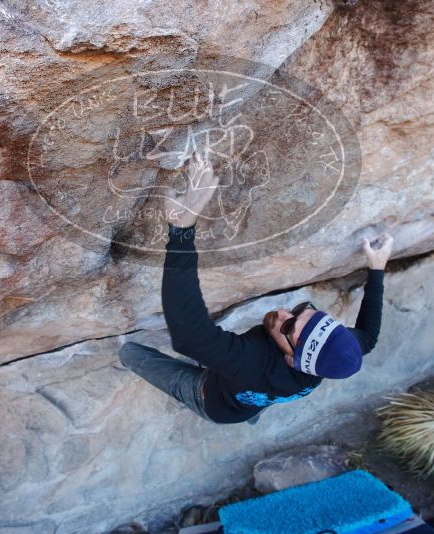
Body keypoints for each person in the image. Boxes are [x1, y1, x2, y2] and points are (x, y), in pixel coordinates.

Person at [119, 150, 395, 424]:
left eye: (289, 328)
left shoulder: (252, 362)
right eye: (301, 311)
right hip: (253, 392)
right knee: (250, 392)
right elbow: (368, 337)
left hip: (212, 401)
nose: (284, 314)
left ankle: (235, 396)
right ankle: (252, 404)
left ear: (292, 359)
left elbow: (190, 337)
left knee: (130, 352)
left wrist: (182, 232)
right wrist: (378, 267)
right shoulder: (333, 356)